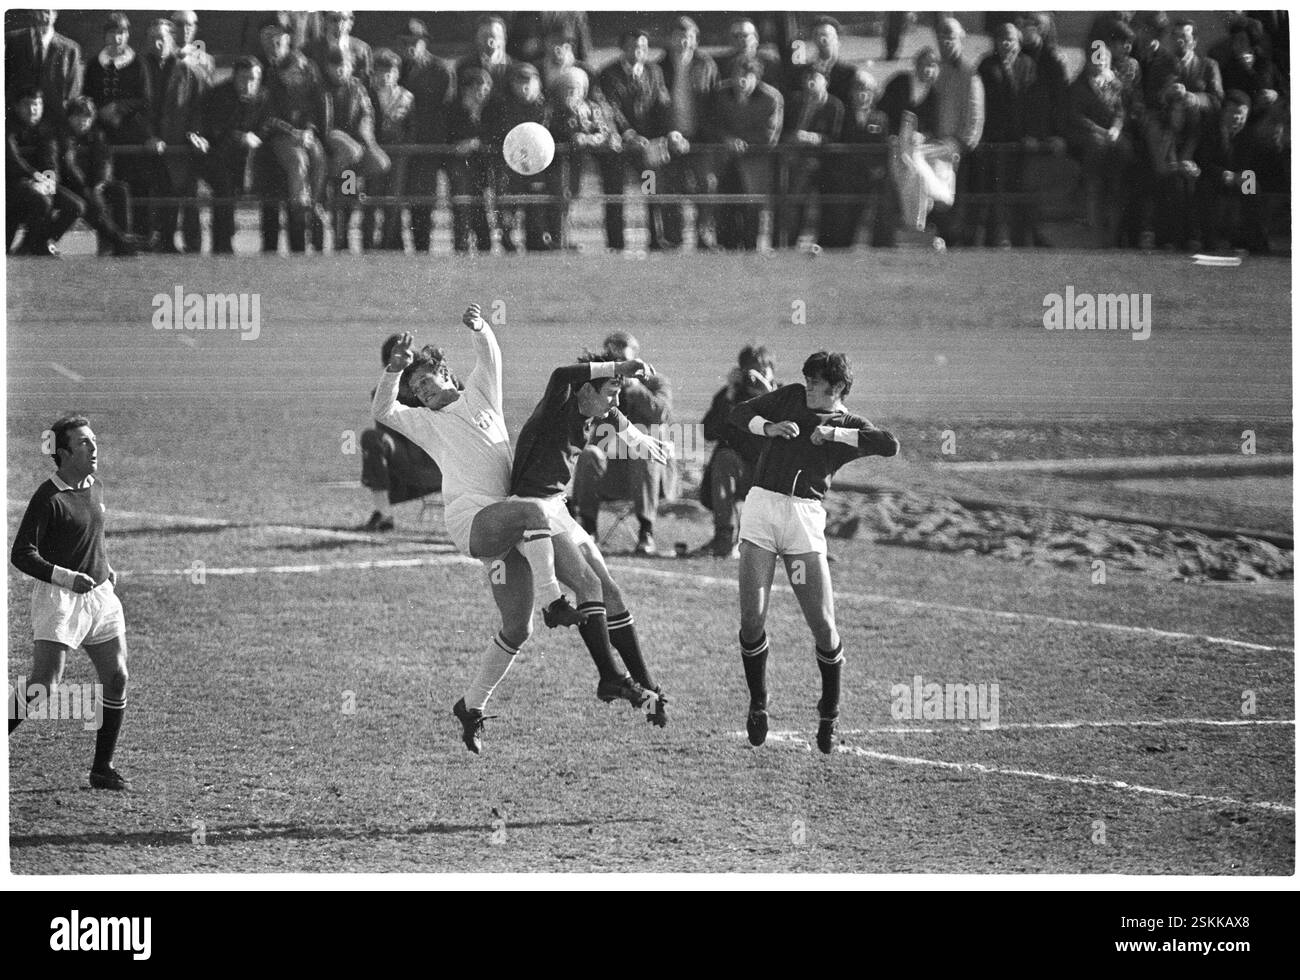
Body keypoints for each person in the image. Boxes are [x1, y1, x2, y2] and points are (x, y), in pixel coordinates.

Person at [373, 305, 583, 755]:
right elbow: (384, 410)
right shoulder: (424, 422)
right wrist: (395, 371)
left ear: (446, 374)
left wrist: (481, 327)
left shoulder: (482, 396)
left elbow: (491, 357)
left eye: (426, 380)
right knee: (533, 512)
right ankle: (555, 602)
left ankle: (471, 705)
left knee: (516, 629)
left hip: (502, 523)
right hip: (471, 522)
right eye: (416, 388)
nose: (422, 391)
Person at [729, 352, 899, 754]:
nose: (806, 385)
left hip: (804, 521)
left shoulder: (849, 424)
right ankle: (759, 701)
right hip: (761, 511)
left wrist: (834, 436)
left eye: (815, 381)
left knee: (823, 625)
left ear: (837, 388)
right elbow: (738, 414)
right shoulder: (788, 397)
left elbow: (889, 445)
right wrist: (768, 427)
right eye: (806, 378)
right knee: (751, 618)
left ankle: (829, 710)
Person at [509, 347, 670, 725]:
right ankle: (609, 677)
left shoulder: (598, 410)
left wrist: (642, 443)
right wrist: (620, 366)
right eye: (610, 390)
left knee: (609, 589)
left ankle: (647, 687)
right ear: (586, 391)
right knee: (587, 584)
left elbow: (618, 419)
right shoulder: (558, 405)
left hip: (557, 507)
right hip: (530, 508)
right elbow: (561, 372)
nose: (616, 399)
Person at [10, 415, 131, 791]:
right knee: (44, 685)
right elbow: (21, 554)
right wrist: (65, 576)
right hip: (61, 599)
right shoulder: (49, 497)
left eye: (93, 441)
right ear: (63, 454)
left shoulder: (93, 487)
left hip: (99, 597)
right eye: (84, 443)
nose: (94, 448)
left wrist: (105, 568)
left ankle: (102, 768)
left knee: (117, 678)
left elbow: (89, 535)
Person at [572, 332, 673, 555]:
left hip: (646, 476)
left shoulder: (655, 382)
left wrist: (635, 387)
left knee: (642, 451)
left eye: (623, 362)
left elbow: (661, 414)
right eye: (614, 362)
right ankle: (588, 530)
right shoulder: (599, 386)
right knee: (589, 454)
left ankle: (646, 532)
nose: (619, 368)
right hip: (610, 473)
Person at [597, 29, 673, 251]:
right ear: (623, 47)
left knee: (651, 192)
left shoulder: (654, 72)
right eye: (633, 46)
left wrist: (658, 137)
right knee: (615, 195)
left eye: (642, 47)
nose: (638, 51)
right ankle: (616, 244)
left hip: (646, 150)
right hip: (619, 149)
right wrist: (628, 134)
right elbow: (611, 109)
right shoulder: (608, 74)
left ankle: (656, 239)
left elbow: (661, 105)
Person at [699, 345, 777, 557]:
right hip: (741, 474)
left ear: (771, 371)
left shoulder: (783, 396)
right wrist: (730, 394)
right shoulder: (732, 396)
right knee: (724, 457)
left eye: (761, 371)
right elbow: (708, 432)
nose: (754, 377)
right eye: (749, 371)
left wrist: (769, 394)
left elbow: (794, 434)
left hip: (774, 476)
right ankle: (724, 537)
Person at [361, 333, 442, 530]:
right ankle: (384, 513)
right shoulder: (382, 395)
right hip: (420, 469)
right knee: (373, 439)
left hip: (446, 466)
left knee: (374, 439)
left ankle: (384, 511)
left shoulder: (443, 383)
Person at [141, 18, 208, 254]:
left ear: (172, 40)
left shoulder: (188, 71)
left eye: (162, 38)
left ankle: (193, 247)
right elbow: (140, 109)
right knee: (154, 197)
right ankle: (160, 242)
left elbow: (199, 108)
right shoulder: (140, 68)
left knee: (188, 197)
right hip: (149, 146)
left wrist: (195, 133)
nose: (157, 44)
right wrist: (149, 136)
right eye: (152, 39)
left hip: (180, 145)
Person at [708, 55, 782, 251]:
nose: (741, 81)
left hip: (754, 163)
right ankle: (725, 248)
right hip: (725, 160)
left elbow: (770, 135)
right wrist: (727, 140)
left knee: (752, 209)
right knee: (724, 207)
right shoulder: (720, 94)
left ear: (757, 77)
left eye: (747, 77)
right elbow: (711, 124)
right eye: (737, 76)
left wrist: (744, 143)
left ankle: (751, 251)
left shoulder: (771, 98)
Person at [659, 16, 719, 250]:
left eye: (689, 36)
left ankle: (703, 236)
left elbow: (715, 104)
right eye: (679, 36)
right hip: (669, 139)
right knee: (667, 187)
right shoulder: (659, 67)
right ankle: (673, 238)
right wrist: (670, 134)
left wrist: (708, 135)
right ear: (670, 39)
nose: (684, 41)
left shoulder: (707, 65)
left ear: (696, 40)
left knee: (706, 186)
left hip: (700, 139)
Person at [60, 96, 147, 256]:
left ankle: (124, 236)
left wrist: (99, 184)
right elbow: (69, 166)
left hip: (93, 185)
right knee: (93, 203)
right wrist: (88, 188)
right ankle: (120, 242)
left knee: (120, 190)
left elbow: (105, 161)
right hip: (72, 186)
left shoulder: (96, 135)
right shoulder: (64, 136)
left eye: (87, 117)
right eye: (78, 116)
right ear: (70, 118)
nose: (82, 121)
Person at [1067, 42, 1133, 247]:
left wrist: (1115, 129)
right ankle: (1093, 227)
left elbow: (1121, 111)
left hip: (1112, 138)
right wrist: (1099, 130)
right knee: (1096, 155)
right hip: (1088, 138)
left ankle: (1116, 230)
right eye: (1096, 59)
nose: (1100, 62)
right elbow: (1076, 116)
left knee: (1125, 151)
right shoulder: (1078, 86)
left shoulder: (1115, 84)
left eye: (1104, 59)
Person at [321, 50, 388, 252]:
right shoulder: (323, 89)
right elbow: (323, 124)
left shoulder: (358, 88)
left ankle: (346, 239)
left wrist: (368, 139)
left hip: (351, 158)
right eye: (336, 66)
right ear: (329, 68)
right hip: (332, 144)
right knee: (341, 191)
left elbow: (367, 114)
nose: (340, 70)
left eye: (345, 65)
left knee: (377, 165)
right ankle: (332, 175)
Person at [202, 56, 270, 255]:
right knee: (223, 192)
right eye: (244, 79)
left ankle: (266, 247)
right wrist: (240, 136)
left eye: (254, 79)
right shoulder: (219, 94)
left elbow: (267, 124)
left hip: (248, 159)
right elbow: (214, 129)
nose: (249, 84)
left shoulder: (264, 96)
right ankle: (222, 246)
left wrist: (257, 136)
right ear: (234, 77)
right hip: (218, 156)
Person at [398, 19, 455, 254]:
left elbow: (448, 109)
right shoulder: (396, 68)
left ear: (424, 42)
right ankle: (394, 245)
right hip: (402, 143)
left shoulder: (440, 70)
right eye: (406, 42)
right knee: (397, 198)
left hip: (428, 144)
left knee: (423, 201)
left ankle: (422, 248)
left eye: (416, 41)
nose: (411, 46)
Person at [820, 70, 894, 248]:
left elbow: (884, 149)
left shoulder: (881, 118)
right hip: (845, 179)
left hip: (870, 180)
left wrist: (877, 168)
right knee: (842, 224)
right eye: (858, 90)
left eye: (867, 91)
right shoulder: (842, 115)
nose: (863, 95)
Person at [7, 87, 83, 257]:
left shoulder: (46, 129)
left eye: (37, 104)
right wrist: (33, 177)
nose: (33, 110)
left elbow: (51, 161)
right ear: (17, 106)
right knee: (42, 202)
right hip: (11, 185)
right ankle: (26, 247)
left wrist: (48, 182)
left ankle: (40, 242)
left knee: (76, 206)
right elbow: (12, 160)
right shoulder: (7, 126)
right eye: (27, 104)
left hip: (38, 184)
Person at [930, 17, 984, 248]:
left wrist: (962, 144)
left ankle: (958, 243)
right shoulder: (936, 69)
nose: (946, 42)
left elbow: (975, 115)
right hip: (937, 146)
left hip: (957, 149)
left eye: (951, 36)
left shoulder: (969, 72)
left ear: (960, 38)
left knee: (956, 201)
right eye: (942, 37)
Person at [486, 62, 550, 251]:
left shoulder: (544, 107)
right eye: (519, 81)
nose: (524, 86)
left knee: (535, 203)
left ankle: (537, 239)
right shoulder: (502, 106)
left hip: (537, 164)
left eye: (528, 81)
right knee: (507, 203)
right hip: (508, 163)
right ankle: (507, 239)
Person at [779, 65, 843, 247]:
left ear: (826, 81)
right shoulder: (795, 101)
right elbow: (784, 130)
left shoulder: (834, 106)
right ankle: (789, 243)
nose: (810, 82)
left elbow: (835, 136)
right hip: (795, 161)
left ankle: (826, 244)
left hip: (825, 164)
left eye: (815, 78)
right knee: (793, 203)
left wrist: (811, 138)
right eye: (807, 78)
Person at [363, 48, 412, 251]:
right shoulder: (366, 94)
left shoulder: (406, 98)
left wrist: (405, 149)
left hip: (398, 154)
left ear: (397, 74)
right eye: (379, 72)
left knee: (393, 200)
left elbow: (411, 128)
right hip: (372, 153)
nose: (384, 77)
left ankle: (388, 245)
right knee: (370, 199)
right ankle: (367, 244)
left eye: (389, 73)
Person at [5, 9, 83, 129]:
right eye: (38, 11)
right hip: (16, 120)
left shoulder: (70, 49)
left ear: (55, 15)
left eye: (47, 12)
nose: (42, 17)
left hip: (55, 122)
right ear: (31, 12)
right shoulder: (12, 41)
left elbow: (73, 91)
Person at [445, 66, 494, 252]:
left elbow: (496, 133)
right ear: (466, 89)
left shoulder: (491, 109)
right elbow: (447, 136)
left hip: (483, 165)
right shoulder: (453, 109)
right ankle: (462, 246)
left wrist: (476, 142)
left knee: (482, 207)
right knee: (462, 205)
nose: (482, 91)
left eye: (485, 87)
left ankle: (485, 246)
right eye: (477, 87)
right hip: (459, 165)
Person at [304, 10, 373, 89]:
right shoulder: (310, 49)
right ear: (324, 21)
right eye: (334, 19)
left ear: (351, 21)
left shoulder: (362, 49)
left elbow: (367, 84)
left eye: (344, 19)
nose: (339, 25)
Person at [173, 10, 215, 88]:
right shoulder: (163, 55)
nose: (185, 30)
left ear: (194, 29)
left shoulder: (205, 59)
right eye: (179, 25)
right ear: (172, 28)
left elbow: (208, 90)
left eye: (189, 25)